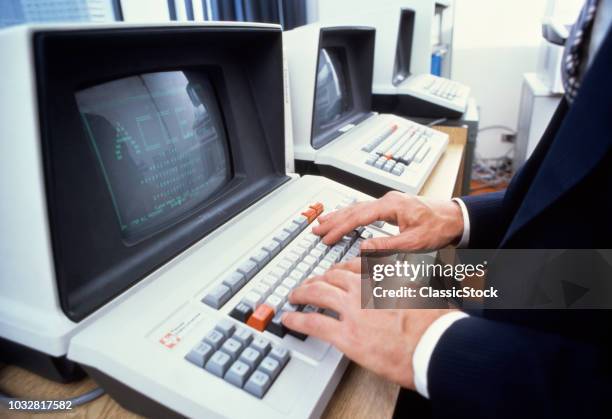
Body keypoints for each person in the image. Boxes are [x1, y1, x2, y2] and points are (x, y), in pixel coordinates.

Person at [281, 1, 612, 418]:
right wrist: (460, 217)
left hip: (532, 375)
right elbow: (591, 265)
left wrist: (436, 344)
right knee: (381, 277)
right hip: (576, 281)